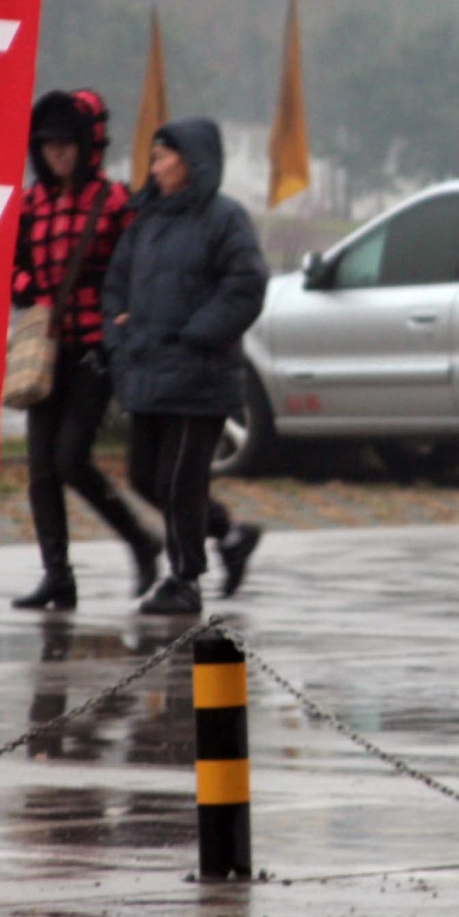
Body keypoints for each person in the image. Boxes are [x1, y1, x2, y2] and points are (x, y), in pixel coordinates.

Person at [103, 117, 268, 615]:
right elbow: (116, 284)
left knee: (180, 481)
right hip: (149, 369)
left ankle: (184, 579)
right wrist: (119, 330)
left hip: (201, 374)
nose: (153, 168)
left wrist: (197, 332)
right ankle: (230, 535)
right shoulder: (147, 220)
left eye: (162, 157)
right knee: (144, 477)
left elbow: (246, 285)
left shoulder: (225, 219)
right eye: (152, 158)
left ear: (191, 162)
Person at [8, 89, 162, 611]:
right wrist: (25, 283)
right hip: (46, 351)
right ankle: (57, 575)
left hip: (95, 350)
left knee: (71, 459)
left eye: (66, 144)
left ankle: (141, 541)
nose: (56, 153)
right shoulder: (30, 203)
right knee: (40, 470)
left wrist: (124, 328)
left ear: (88, 145)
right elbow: (9, 264)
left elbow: (137, 270)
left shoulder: (114, 201)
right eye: (47, 144)